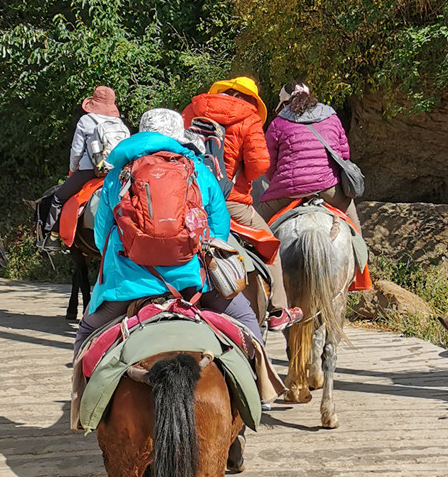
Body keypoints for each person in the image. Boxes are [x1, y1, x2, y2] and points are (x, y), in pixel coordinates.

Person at [74, 108, 261, 357]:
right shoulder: (198, 171)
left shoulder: (116, 175)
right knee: (246, 318)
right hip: (194, 283)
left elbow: (102, 237)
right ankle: (261, 392)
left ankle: (80, 395)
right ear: (178, 135)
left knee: (87, 331)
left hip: (128, 286)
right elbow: (219, 230)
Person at [183, 77, 302, 331]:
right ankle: (278, 310)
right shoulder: (249, 118)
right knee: (270, 246)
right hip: (232, 203)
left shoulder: (193, 109)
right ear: (251, 99)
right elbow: (259, 165)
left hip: (190, 199)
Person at [41, 86, 130, 253]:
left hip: (91, 170)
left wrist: (73, 170)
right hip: (118, 172)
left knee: (59, 197)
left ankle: (52, 238)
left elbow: (76, 150)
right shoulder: (119, 123)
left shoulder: (86, 121)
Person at [259, 82, 359, 226]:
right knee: (354, 228)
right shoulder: (332, 117)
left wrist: (281, 180)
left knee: (256, 225)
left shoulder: (277, 123)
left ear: (285, 103)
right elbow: (344, 155)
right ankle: (363, 248)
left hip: (288, 190)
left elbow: (269, 165)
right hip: (328, 187)